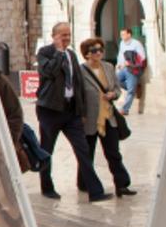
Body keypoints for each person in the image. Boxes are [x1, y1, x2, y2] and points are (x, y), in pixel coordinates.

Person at [35, 23, 108, 202]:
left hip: (71, 111)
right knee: (47, 150)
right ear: (54, 36)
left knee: (83, 149)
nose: (66, 38)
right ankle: (47, 187)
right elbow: (48, 72)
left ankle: (95, 191)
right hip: (50, 110)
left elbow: (78, 84)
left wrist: (81, 111)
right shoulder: (45, 52)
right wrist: (59, 52)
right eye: (62, 35)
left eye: (68, 35)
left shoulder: (72, 55)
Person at [78, 38, 135, 197]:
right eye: (95, 50)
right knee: (87, 153)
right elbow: (78, 95)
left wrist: (114, 95)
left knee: (113, 153)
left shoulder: (109, 67)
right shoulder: (80, 71)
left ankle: (122, 185)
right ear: (87, 54)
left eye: (100, 50)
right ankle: (84, 183)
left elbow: (117, 88)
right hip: (90, 119)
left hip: (109, 117)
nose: (99, 53)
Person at [115, 28, 147, 115]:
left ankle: (125, 110)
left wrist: (129, 63)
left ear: (129, 35)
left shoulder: (136, 44)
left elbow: (142, 58)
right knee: (115, 81)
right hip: (123, 68)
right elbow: (120, 55)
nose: (122, 36)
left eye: (123, 34)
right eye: (121, 34)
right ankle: (134, 87)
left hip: (133, 70)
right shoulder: (122, 43)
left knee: (130, 92)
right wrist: (119, 64)